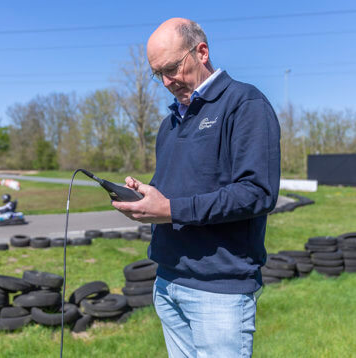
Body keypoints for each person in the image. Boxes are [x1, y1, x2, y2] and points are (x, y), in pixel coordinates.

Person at [112, 18, 281, 357]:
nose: (165, 81)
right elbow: (172, 194)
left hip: (218, 291)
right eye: (157, 73)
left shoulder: (244, 104)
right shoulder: (169, 123)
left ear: (201, 52)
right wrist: (147, 199)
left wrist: (171, 209)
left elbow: (257, 192)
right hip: (168, 282)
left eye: (172, 68)